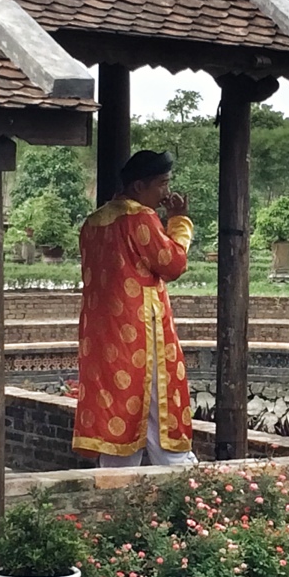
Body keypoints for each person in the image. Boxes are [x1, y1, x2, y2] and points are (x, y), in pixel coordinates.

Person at [72, 149, 196, 468]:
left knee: (117, 407)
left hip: (102, 336)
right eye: (162, 183)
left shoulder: (93, 222)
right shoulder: (139, 217)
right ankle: (179, 473)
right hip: (139, 331)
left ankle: (116, 483)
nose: (167, 192)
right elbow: (173, 263)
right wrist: (179, 221)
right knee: (158, 405)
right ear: (139, 186)